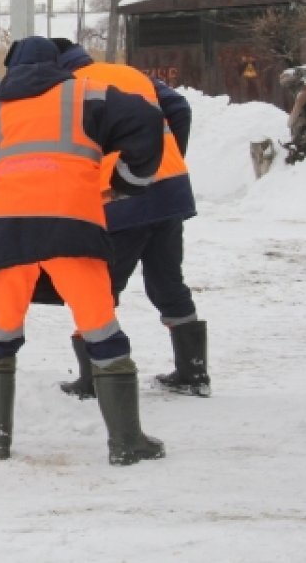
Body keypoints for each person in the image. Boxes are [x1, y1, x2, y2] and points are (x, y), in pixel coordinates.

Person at [0, 36, 167, 466]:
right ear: (58, 64)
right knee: (101, 330)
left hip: (7, 238)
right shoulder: (86, 95)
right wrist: (131, 178)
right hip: (72, 231)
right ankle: (127, 442)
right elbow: (147, 118)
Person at [52, 38, 208, 398]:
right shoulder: (128, 73)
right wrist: (169, 159)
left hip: (118, 198)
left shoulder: (71, 90)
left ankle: (93, 378)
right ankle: (193, 374)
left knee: (99, 287)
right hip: (169, 190)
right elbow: (179, 109)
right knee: (167, 281)